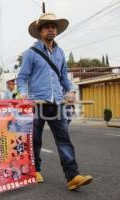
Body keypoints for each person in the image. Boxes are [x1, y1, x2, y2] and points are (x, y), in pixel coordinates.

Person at [16, 12, 92, 190]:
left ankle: (73, 176)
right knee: (34, 140)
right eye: (47, 26)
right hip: (37, 104)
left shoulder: (60, 53)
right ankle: (35, 170)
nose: (51, 29)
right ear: (40, 31)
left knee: (64, 139)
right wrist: (22, 94)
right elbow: (22, 78)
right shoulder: (31, 53)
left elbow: (64, 77)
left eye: (53, 26)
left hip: (57, 103)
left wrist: (71, 90)